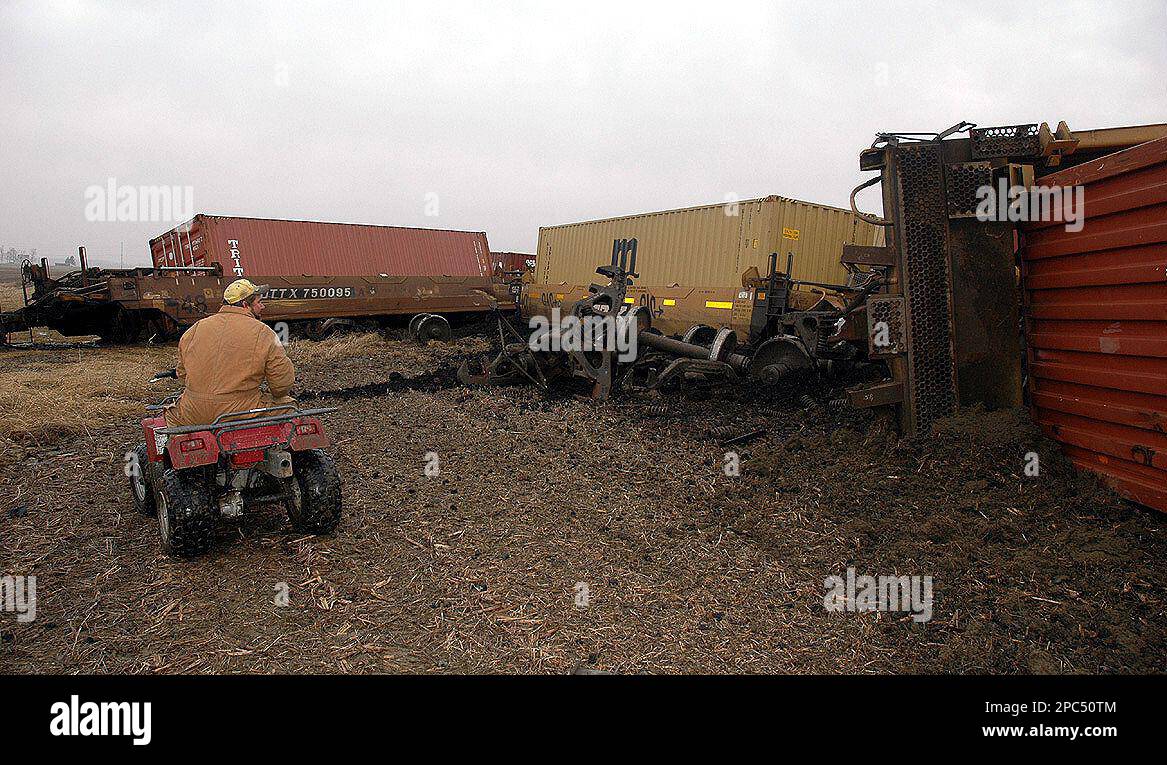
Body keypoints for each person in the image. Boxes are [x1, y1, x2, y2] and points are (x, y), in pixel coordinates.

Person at [164, 279, 295, 426]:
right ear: (245, 305)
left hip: (192, 413)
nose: (262, 306)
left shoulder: (195, 329)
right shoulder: (263, 333)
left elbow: (182, 374)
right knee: (288, 406)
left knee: (171, 416)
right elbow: (281, 385)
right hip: (239, 412)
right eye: (259, 302)